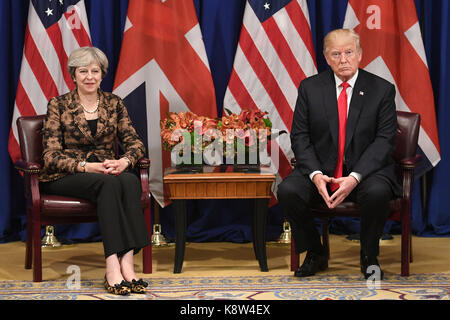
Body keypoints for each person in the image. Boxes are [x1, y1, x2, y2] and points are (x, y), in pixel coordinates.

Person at [277, 29, 400, 280]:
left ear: (360, 55)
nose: (343, 59)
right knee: (288, 191)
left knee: (378, 192)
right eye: (336, 54)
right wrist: (315, 174)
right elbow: (300, 136)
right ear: (326, 57)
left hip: (366, 173)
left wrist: (355, 176)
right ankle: (315, 251)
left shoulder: (382, 90)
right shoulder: (310, 88)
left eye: (348, 52)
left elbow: (384, 141)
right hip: (322, 171)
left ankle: (369, 256)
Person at [39, 47, 150, 295]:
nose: (89, 76)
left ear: (102, 74)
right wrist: (86, 167)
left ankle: (127, 264)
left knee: (130, 181)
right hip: (66, 175)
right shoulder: (58, 105)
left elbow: (135, 143)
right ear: (74, 74)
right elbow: (50, 156)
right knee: (110, 184)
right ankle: (112, 265)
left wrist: (123, 161)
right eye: (83, 71)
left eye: (95, 71)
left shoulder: (114, 103)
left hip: (106, 171)